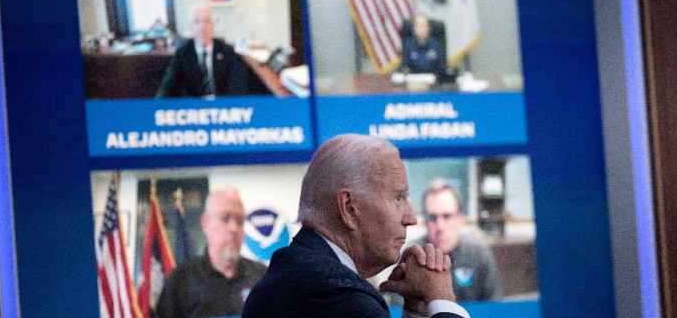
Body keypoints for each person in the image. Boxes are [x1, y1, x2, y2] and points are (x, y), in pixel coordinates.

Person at [242, 134, 470, 318]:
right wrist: (442, 298)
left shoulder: (301, 272)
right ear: (349, 207)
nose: (410, 218)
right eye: (398, 198)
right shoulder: (333, 293)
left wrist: (417, 310)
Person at [156, 187, 267, 318]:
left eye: (239, 220)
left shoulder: (263, 278)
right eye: (224, 218)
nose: (234, 228)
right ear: (205, 223)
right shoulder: (180, 281)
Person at [156, 4, 264, 98]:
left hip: (221, 109)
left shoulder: (228, 52)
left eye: (206, 21)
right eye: (197, 22)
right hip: (195, 111)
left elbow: (239, 89)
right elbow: (167, 88)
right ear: (190, 27)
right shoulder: (182, 54)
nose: (202, 27)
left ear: (213, 26)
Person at [422, 179, 501, 302]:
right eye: (432, 218)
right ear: (425, 222)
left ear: (460, 220)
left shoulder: (479, 254)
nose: (440, 226)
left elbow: (494, 308)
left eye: (447, 216)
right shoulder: (411, 257)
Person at [401, 14, 449, 81]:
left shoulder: (436, 44)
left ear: (428, 28)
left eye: (424, 26)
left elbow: (442, 67)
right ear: (413, 29)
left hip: (433, 82)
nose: (421, 29)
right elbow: (405, 67)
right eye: (418, 26)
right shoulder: (408, 44)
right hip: (414, 82)